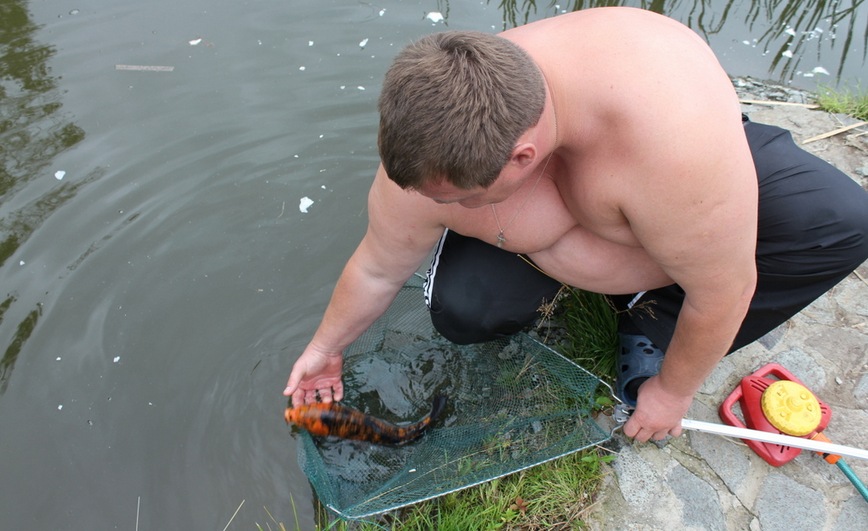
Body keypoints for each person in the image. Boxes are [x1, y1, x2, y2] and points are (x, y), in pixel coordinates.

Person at [284, 7, 868, 443]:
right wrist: (324, 348)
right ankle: (589, 282)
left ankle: (653, 318)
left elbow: (726, 289)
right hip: (559, 208)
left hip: (672, 161)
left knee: (842, 221)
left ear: (523, 158)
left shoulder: (673, 146)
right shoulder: (435, 132)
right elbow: (379, 265)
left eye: (463, 201)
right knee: (464, 312)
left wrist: (672, 393)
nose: (447, 210)